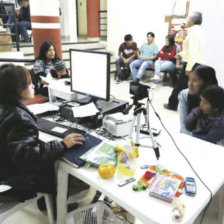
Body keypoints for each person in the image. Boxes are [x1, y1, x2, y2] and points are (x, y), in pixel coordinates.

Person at [0, 64, 85, 202]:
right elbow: (30, 158)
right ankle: (60, 207)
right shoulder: (18, 119)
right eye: (29, 84)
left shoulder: (6, 107)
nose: (33, 85)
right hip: (16, 181)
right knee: (73, 172)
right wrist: (62, 144)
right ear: (16, 90)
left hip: (6, 171)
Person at [164, 12, 202, 110]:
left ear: (192, 21)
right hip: (196, 63)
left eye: (189, 18)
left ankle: (172, 105)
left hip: (191, 64)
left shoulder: (192, 31)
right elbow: (191, 50)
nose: (187, 20)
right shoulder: (200, 30)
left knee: (180, 85)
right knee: (192, 87)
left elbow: (193, 51)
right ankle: (193, 107)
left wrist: (189, 67)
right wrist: (180, 54)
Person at [178, 64, 218, 136]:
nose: (190, 84)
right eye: (189, 79)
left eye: (195, 80)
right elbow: (184, 128)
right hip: (190, 137)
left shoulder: (219, 98)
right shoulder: (184, 95)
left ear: (208, 82)